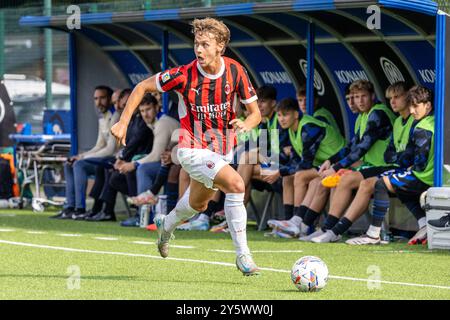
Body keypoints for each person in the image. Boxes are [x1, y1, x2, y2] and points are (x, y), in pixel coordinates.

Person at [111, 17, 262, 276]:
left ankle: (166, 225)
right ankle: (243, 256)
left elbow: (255, 113)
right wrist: (124, 122)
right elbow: (142, 86)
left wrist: (247, 124)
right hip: (191, 149)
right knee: (236, 184)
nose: (199, 50)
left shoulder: (236, 71)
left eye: (205, 44)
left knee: (198, 206)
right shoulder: (184, 75)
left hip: (221, 149)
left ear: (220, 47)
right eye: (196, 44)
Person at [309, 81, 415, 243]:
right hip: (379, 166)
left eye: (363, 96)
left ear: (372, 96)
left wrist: (337, 166)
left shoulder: (378, 113)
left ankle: (326, 228)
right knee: (332, 180)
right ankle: (324, 228)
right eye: (355, 97)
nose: (359, 101)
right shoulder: (363, 117)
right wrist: (331, 162)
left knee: (341, 178)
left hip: (388, 168)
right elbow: (352, 146)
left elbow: (363, 148)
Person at [347, 85, 434, 245]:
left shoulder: (422, 127)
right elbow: (391, 155)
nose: (413, 110)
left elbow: (420, 164)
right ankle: (424, 223)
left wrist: (411, 167)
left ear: (427, 106)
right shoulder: (432, 122)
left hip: (427, 178)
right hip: (432, 176)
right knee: (395, 181)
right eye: (411, 106)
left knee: (382, 183)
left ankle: (373, 234)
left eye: (416, 106)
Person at [266, 97, 345, 237]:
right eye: (279, 115)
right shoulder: (291, 129)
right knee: (288, 178)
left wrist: (279, 171)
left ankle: (297, 221)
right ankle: (289, 222)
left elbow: (305, 164)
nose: (281, 119)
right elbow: (296, 159)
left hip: (339, 162)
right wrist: (281, 171)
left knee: (300, 176)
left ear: (296, 114)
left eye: (286, 114)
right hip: (323, 165)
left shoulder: (308, 127)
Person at [51, 85, 119, 219]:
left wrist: (82, 159)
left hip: (112, 160)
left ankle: (80, 208)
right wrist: (81, 156)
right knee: (69, 163)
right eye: (96, 99)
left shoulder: (115, 116)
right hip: (102, 159)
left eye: (102, 98)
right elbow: (99, 146)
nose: (99, 102)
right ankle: (70, 207)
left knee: (79, 165)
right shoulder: (102, 117)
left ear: (110, 99)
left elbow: (110, 149)